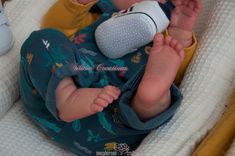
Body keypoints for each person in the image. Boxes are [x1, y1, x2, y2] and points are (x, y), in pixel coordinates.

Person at [19, 0, 201, 155]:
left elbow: (179, 71)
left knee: (164, 85)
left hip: (114, 125)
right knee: (46, 39)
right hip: (61, 93)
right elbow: (56, 25)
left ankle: (147, 100)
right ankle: (67, 94)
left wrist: (179, 31)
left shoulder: (160, 39)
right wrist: (78, 4)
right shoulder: (100, 13)